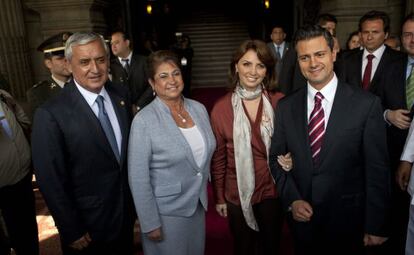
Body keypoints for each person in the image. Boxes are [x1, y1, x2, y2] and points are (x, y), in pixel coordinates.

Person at [269, 25, 390, 255]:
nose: (313, 63)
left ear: (334, 53)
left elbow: (377, 169)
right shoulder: (286, 107)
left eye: (319, 54)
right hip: (303, 223)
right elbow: (276, 158)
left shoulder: (366, 104)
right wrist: (292, 199)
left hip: (349, 222)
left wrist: (377, 224)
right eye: (305, 57)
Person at [31, 32, 136, 255]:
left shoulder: (121, 95)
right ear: (69, 65)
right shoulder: (51, 113)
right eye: (85, 62)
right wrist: (71, 228)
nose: (95, 69)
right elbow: (50, 179)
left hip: (125, 217)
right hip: (86, 228)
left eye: (100, 59)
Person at [128, 50, 216, 255]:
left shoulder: (199, 109)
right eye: (163, 76)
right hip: (165, 212)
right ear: (152, 83)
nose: (172, 81)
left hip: (196, 205)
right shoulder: (144, 121)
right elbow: (138, 177)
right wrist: (149, 222)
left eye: (176, 73)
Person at [210, 40, 291, 255]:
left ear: (268, 71)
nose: (253, 72)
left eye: (260, 65)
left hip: (272, 188)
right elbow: (218, 157)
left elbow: (294, 143)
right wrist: (219, 197)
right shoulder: (221, 109)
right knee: (243, 247)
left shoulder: (280, 102)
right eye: (246, 64)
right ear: (236, 66)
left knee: (271, 246)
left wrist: (292, 156)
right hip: (236, 191)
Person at [0, 89, 39, 255]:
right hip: (2, 185)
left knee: (27, 232)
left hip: (23, 177)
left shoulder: (4, 96)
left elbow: (24, 123)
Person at [27, 32, 72, 119]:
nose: (67, 61)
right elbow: (41, 127)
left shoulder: (85, 83)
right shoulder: (38, 93)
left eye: (70, 56)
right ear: (48, 63)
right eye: (60, 58)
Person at [110, 30, 154, 113]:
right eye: (111, 44)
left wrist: (138, 106)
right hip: (122, 112)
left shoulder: (144, 61)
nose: (113, 46)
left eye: (116, 42)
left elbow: (152, 85)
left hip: (146, 109)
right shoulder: (110, 66)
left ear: (127, 43)